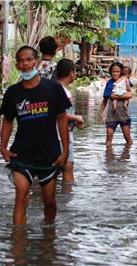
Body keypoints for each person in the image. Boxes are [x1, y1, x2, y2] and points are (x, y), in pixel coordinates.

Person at [0, 46, 71, 225]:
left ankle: (48, 238)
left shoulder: (53, 88)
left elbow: (62, 118)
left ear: (36, 62)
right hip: (22, 154)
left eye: (28, 60)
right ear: (17, 65)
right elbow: (8, 120)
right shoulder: (13, 93)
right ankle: (18, 246)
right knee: (21, 197)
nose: (25, 64)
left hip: (49, 155)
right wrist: (3, 148)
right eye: (21, 61)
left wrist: (65, 151)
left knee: (49, 202)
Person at [55, 59, 85, 187]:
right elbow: (58, 114)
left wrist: (73, 120)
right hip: (62, 137)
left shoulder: (53, 89)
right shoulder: (63, 92)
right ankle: (66, 201)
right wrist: (77, 118)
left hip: (51, 136)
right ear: (72, 73)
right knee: (68, 170)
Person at [99, 62, 133, 146]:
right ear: (111, 72)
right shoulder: (110, 83)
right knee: (109, 136)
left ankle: (127, 155)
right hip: (111, 115)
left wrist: (116, 96)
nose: (115, 73)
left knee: (127, 136)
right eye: (113, 71)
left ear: (121, 72)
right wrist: (100, 112)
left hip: (123, 114)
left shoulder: (125, 80)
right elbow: (105, 100)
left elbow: (130, 94)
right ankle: (108, 156)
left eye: (117, 71)